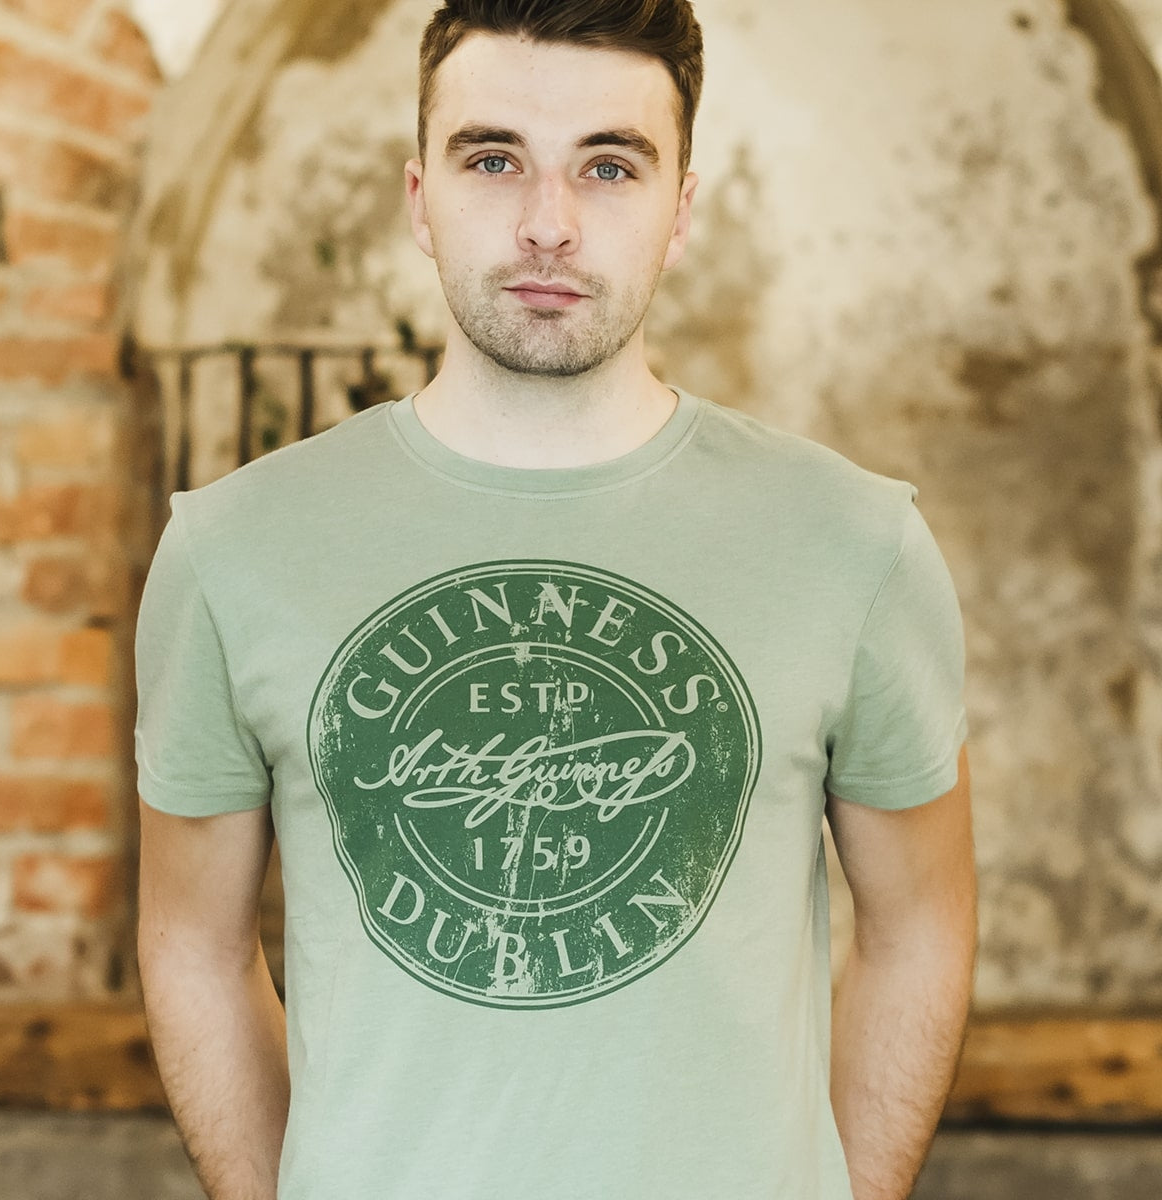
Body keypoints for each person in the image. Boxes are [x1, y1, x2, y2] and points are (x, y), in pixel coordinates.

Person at [134, 1, 977, 1197]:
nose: (548, 224)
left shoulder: (855, 542)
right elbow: (192, 947)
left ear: (682, 208)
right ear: (421, 196)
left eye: (610, 166)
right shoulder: (232, 549)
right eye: (493, 160)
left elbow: (921, 928)